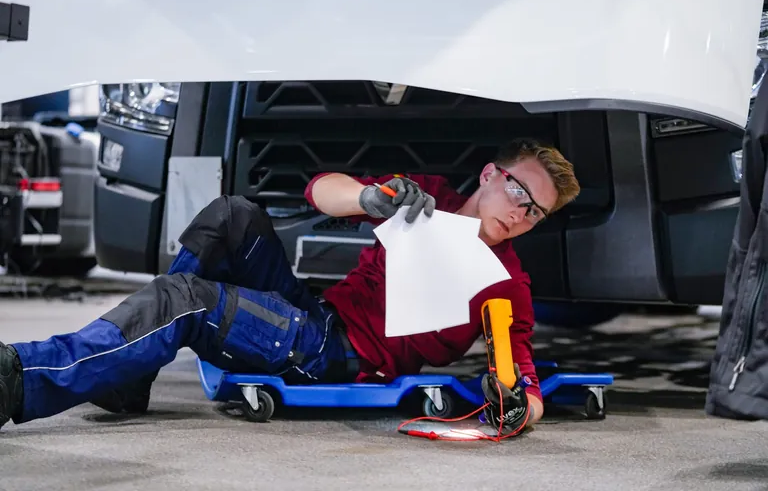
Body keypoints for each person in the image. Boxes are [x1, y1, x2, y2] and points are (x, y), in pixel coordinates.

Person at [0, 137, 580, 435]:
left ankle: (21, 381)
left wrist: (519, 407)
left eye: (537, 213)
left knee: (183, 304)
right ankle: (128, 377)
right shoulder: (426, 198)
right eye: (518, 192)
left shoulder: (506, 286)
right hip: (318, 314)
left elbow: (523, 381)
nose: (522, 213)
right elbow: (320, 190)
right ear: (488, 175)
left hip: (338, 357)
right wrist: (368, 197)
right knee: (233, 214)